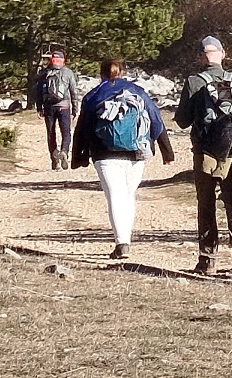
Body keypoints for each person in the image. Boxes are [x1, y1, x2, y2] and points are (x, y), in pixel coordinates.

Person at [71, 57, 174, 259]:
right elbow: (156, 120)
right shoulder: (137, 91)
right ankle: (125, 239)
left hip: (104, 153)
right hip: (136, 152)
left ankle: (122, 243)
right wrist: (167, 151)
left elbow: (82, 128)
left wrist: (79, 156)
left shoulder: (94, 95)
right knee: (128, 195)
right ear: (123, 73)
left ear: (101, 74)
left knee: (115, 196)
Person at [174, 36, 232, 277]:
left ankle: (208, 259)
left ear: (201, 57)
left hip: (206, 151)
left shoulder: (194, 82)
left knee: (206, 203)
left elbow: (182, 120)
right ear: (223, 54)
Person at [34, 50, 78, 170]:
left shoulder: (45, 73)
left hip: (49, 107)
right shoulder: (68, 72)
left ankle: (54, 161)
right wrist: (75, 109)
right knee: (66, 132)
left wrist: (39, 107)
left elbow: (38, 92)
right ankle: (64, 151)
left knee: (51, 133)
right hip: (64, 106)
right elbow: (73, 92)